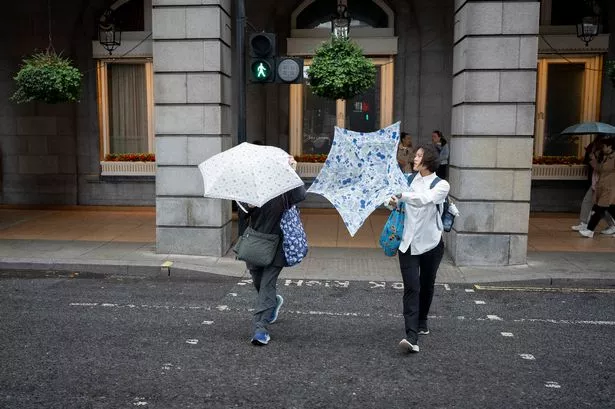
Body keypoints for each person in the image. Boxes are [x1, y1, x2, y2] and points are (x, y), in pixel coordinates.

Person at [385, 144, 450, 353]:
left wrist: (402, 195)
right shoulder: (407, 180)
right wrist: (392, 201)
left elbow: (424, 200)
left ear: (429, 160)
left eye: (419, 156)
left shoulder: (441, 185)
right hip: (407, 243)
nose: (415, 158)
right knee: (412, 287)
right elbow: (394, 204)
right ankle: (411, 337)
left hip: (431, 244)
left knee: (427, 284)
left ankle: (422, 320)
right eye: (416, 155)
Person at [241, 156, 307, 346]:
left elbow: (301, 195)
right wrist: (249, 206)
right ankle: (273, 302)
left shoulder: (285, 187)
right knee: (258, 281)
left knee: (267, 284)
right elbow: (243, 212)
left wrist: (293, 172)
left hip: (278, 243)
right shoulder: (252, 186)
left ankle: (260, 328)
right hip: (255, 242)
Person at [571, 136, 615, 234]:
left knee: (598, 210)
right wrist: (593, 159)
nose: (603, 148)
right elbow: (600, 169)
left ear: (610, 146)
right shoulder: (606, 157)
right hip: (602, 186)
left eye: (604, 146)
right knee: (609, 208)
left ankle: (589, 230)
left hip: (610, 188)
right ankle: (588, 227)